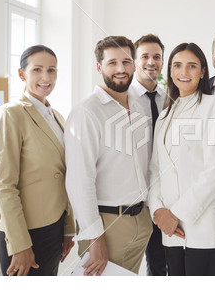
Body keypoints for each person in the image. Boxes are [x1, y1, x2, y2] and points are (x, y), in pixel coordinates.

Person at [64, 36, 152, 275]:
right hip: (107, 224)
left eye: (126, 61)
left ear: (134, 64)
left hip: (141, 221)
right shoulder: (86, 112)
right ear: (99, 67)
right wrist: (95, 238)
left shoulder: (139, 106)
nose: (121, 69)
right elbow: (79, 180)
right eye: (112, 62)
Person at [0, 45, 75, 276]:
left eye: (52, 70)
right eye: (37, 70)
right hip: (26, 232)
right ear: (21, 74)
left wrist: (67, 229)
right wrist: (20, 244)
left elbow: (64, 175)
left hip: (54, 226)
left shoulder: (56, 116)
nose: (46, 77)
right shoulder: (10, 114)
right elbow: (5, 186)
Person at [148, 43, 215, 276]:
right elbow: (155, 170)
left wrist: (176, 215)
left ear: (203, 71)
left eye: (191, 66)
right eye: (177, 66)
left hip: (204, 229)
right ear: (170, 71)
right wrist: (158, 212)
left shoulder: (212, 106)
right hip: (170, 233)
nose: (183, 72)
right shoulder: (164, 116)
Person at [129, 33, 167, 276]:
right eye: (145, 56)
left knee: (160, 260)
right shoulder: (124, 99)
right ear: (134, 61)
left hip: (163, 191)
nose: (151, 62)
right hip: (132, 195)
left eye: (157, 57)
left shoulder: (170, 98)